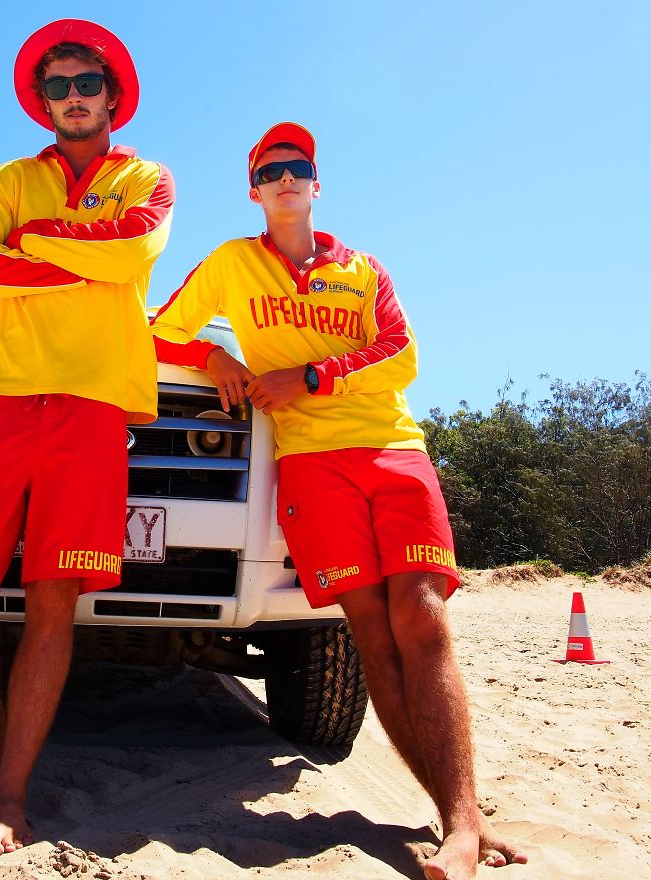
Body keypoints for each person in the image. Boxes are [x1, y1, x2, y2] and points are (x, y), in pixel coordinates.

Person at [151, 123, 526, 880]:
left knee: (420, 617)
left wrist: (313, 376)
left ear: (316, 184)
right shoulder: (230, 264)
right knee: (372, 634)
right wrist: (217, 354)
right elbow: (158, 330)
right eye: (270, 169)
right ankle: (456, 819)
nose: (285, 177)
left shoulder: (362, 268)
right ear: (255, 191)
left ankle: (460, 823)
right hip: (311, 465)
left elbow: (402, 353)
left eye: (298, 167)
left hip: (389, 447)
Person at [0, 19, 174, 857]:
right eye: (55, 86)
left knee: (55, 594)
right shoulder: (10, 176)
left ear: (111, 91)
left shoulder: (150, 177)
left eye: (83, 82)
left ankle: (10, 791)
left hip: (97, 402)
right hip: (11, 391)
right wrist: (75, 258)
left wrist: (32, 244)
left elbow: (136, 251)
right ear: (41, 99)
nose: (70, 97)